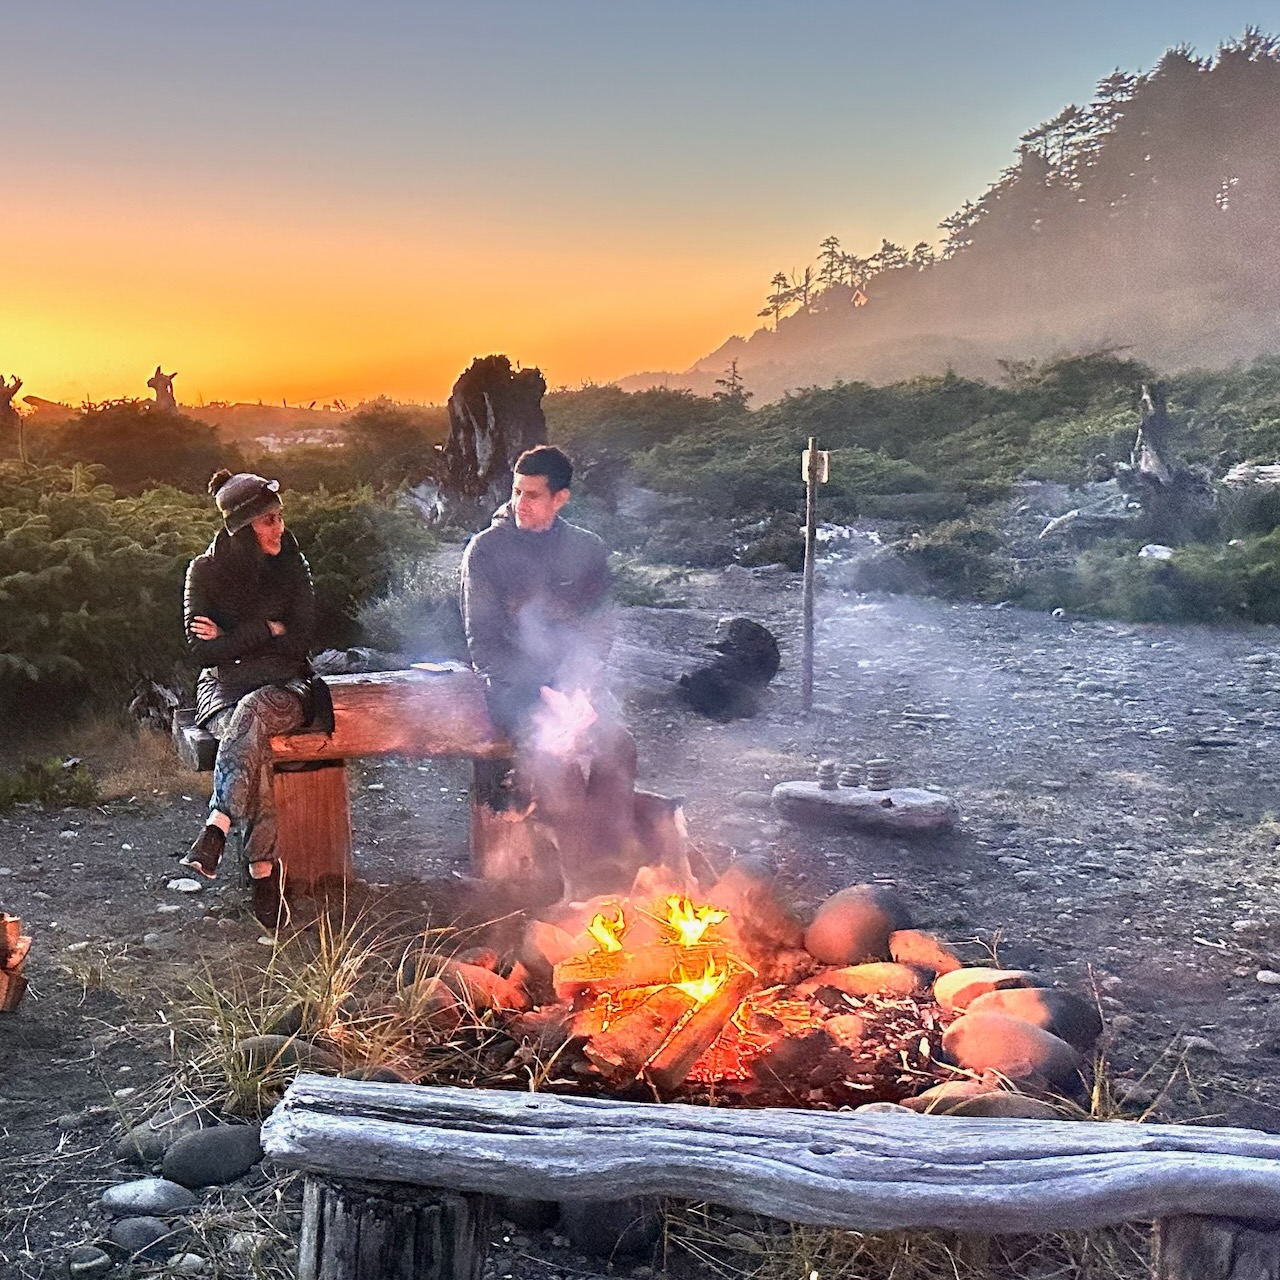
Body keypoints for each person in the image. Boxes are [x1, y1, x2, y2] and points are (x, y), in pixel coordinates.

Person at [460, 445, 637, 894]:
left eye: (534, 495)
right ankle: (577, 887)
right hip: (514, 688)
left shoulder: (587, 549)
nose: (521, 503)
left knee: (618, 746)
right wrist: (544, 692)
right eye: (517, 491)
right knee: (556, 758)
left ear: (561, 498)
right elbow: (484, 645)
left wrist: (579, 684)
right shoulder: (486, 551)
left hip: (574, 684)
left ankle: (611, 861)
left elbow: (600, 631)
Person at [180, 469, 330, 919]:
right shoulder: (203, 571)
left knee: (255, 713)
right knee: (254, 742)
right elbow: (198, 651)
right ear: (243, 528)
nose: (280, 528)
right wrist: (267, 628)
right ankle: (265, 876)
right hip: (223, 691)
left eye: (280, 517)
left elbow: (301, 639)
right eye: (268, 521)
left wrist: (232, 638)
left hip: (288, 687)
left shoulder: (292, 564)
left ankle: (217, 827)